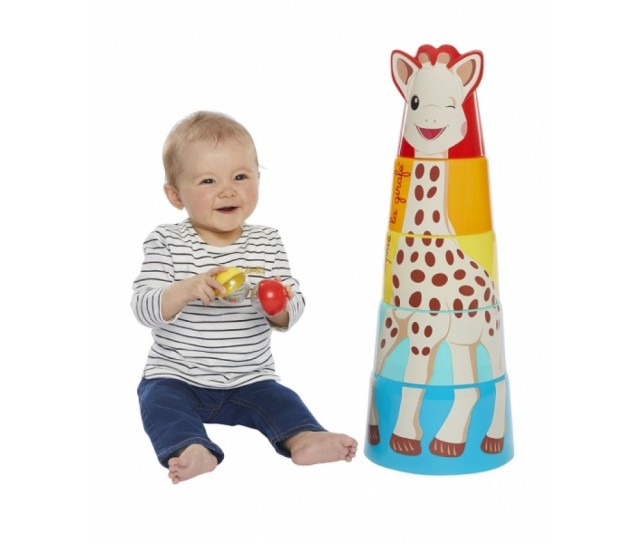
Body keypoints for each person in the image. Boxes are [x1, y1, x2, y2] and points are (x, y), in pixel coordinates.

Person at [131, 111, 357, 484]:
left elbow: (292, 307)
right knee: (159, 402)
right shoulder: (167, 241)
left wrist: (276, 305)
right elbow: (144, 306)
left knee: (282, 400)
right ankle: (192, 448)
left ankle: (304, 437)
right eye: (208, 180)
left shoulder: (267, 241)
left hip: (250, 378)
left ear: (258, 179)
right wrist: (186, 289)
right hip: (177, 375)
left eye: (240, 176)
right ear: (175, 195)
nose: (228, 190)